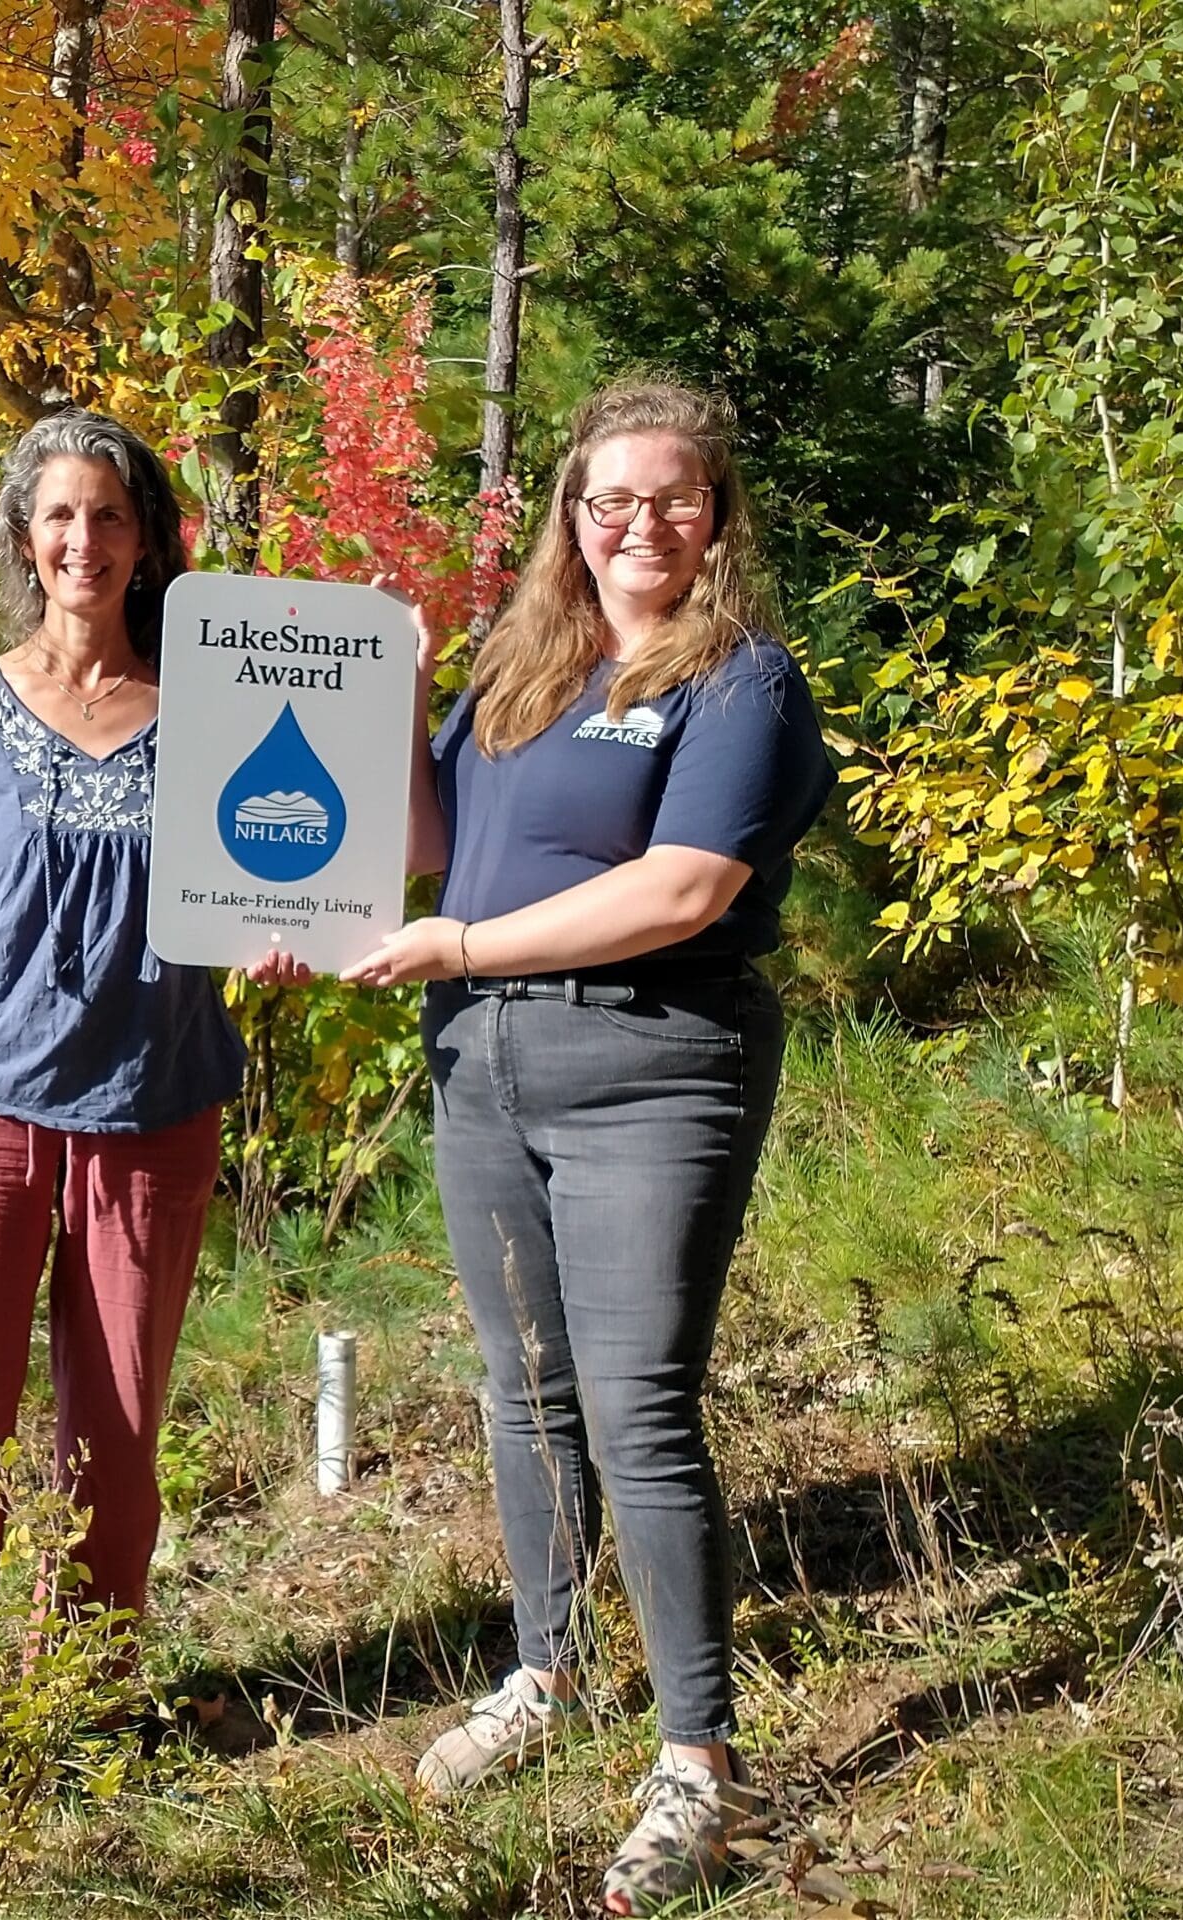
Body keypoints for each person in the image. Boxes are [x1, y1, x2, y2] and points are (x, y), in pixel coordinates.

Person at [260, 380, 830, 1913]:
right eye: (610, 499)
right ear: (571, 515)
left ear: (716, 516)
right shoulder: (528, 666)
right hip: (486, 1068)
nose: (641, 523)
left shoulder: (741, 683)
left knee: (641, 1404)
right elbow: (431, 832)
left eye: (673, 497)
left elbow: (685, 888)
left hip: (654, 1065)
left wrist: (461, 946)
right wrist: (397, 696)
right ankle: (547, 1671)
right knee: (524, 1392)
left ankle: (698, 1759)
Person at [0, 409, 245, 1745]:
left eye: (111, 516)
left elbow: (283, 874)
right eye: (60, 515)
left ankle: (80, 1713)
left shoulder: (214, 709)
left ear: (147, 544)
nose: (84, 539)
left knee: (115, 1452)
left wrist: (295, 937)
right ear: (28, 537)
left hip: (154, 1109)